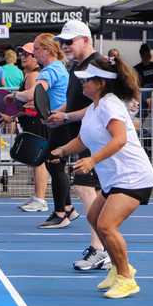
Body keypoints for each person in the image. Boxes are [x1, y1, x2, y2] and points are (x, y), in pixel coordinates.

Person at [51, 57, 153, 299]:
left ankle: (127, 279)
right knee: (94, 218)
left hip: (133, 176)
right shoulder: (95, 107)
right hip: (115, 179)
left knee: (107, 226)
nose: (83, 85)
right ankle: (122, 268)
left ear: (99, 83)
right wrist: (62, 151)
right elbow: (83, 139)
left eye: (86, 81)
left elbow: (119, 139)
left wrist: (92, 161)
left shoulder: (110, 105)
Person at [46, 20, 110, 271]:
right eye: (63, 42)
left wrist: (67, 117)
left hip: (96, 141)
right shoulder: (78, 66)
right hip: (85, 138)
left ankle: (100, 249)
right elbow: (73, 103)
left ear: (85, 39)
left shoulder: (96, 65)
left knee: (88, 192)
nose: (65, 46)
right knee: (92, 195)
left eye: (69, 41)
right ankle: (102, 248)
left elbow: (99, 106)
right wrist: (58, 113)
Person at [11, 33, 72, 229]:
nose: (34, 53)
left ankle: (61, 213)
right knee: (55, 165)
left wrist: (14, 95)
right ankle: (68, 208)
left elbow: (34, 92)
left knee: (54, 164)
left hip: (59, 123)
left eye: (36, 49)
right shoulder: (58, 67)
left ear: (46, 50)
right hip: (59, 122)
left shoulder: (49, 71)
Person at [14, 43, 49, 213]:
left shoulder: (33, 76)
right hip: (33, 122)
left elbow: (31, 105)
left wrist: (13, 114)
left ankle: (41, 199)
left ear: (35, 58)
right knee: (36, 161)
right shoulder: (32, 75)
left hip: (35, 123)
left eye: (26, 54)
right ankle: (37, 196)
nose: (22, 57)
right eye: (21, 54)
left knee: (39, 161)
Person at [133, 44, 153, 111]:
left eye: (148, 53)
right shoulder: (136, 68)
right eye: (145, 53)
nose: (148, 55)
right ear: (141, 55)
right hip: (144, 91)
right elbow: (136, 82)